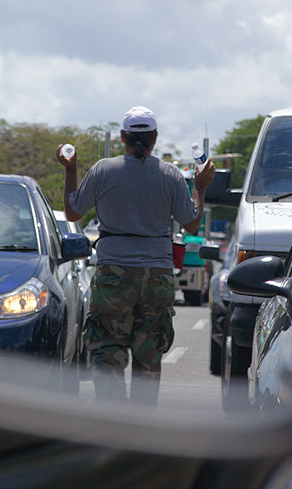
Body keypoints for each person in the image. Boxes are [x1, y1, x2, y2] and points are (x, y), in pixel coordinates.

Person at [56, 105, 215, 405]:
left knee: (107, 353)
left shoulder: (103, 170)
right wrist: (201, 187)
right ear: (154, 138)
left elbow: (72, 210)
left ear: (122, 137)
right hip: (157, 276)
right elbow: (192, 222)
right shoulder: (169, 175)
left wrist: (70, 169)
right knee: (148, 357)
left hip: (112, 273)